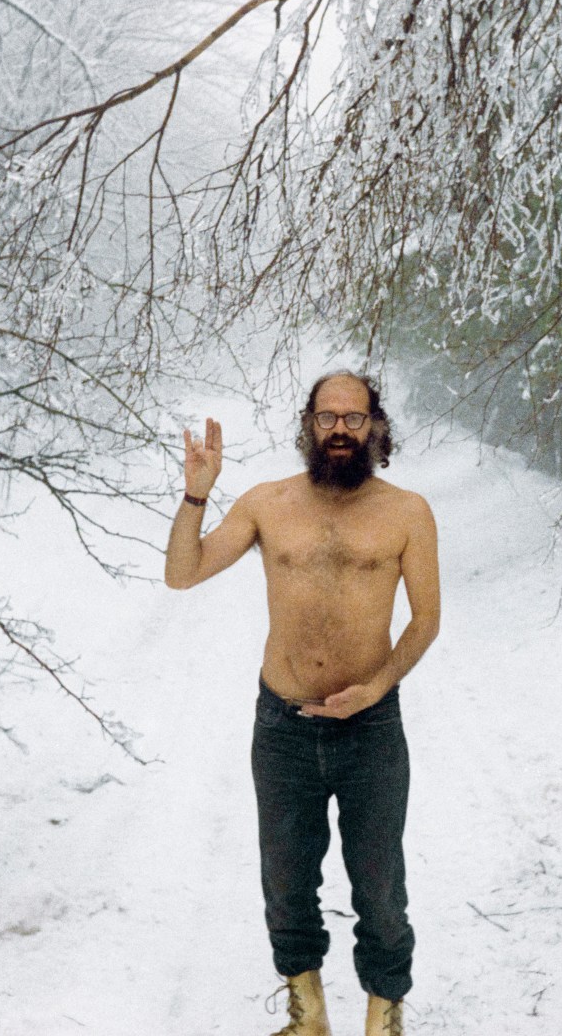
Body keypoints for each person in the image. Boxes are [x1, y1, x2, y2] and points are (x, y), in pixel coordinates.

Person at [164, 372, 441, 1036]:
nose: (340, 429)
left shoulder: (407, 512)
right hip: (282, 727)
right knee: (287, 886)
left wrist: (377, 687)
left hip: (371, 729)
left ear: (376, 424)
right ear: (308, 424)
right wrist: (195, 496)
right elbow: (182, 573)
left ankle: (383, 1018)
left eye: (353, 417)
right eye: (327, 418)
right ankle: (308, 1016)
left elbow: (426, 621)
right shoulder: (267, 503)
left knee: (379, 888)